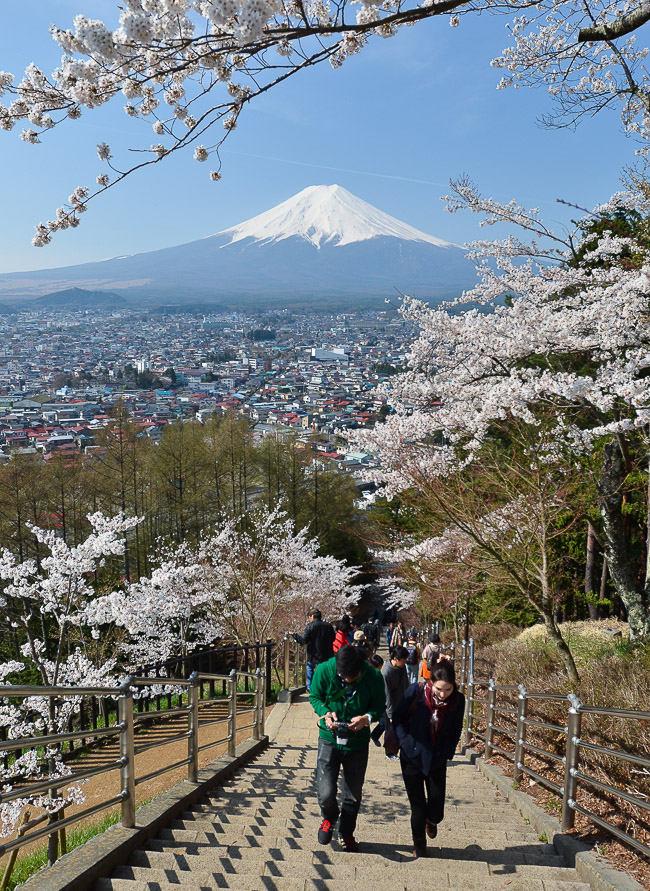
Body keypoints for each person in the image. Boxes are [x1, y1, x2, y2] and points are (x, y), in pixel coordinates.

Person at [309, 645, 386, 853]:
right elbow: (314, 696)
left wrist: (366, 718)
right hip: (328, 739)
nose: (349, 679)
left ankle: (346, 831)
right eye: (345, 675)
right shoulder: (324, 670)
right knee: (325, 792)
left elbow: (379, 707)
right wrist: (325, 713)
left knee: (353, 794)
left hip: (358, 742)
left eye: (354, 675)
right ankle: (330, 817)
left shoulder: (374, 677)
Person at [393, 659, 465, 858]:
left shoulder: (458, 701)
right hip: (412, 758)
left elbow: (457, 728)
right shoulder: (416, 693)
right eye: (439, 689)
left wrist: (448, 752)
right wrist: (405, 743)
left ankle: (432, 820)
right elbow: (397, 717)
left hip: (437, 759)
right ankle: (419, 844)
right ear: (431, 682)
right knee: (417, 806)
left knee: (437, 803)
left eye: (448, 689)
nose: (443, 694)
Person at [293, 608, 335, 691]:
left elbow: (304, 640)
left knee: (310, 668)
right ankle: (324, 687)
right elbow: (333, 638)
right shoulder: (328, 626)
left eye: (309, 617)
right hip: (326, 654)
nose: (309, 619)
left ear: (312, 616)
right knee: (325, 671)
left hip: (313, 654)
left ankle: (310, 687)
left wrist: (295, 635)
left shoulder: (310, 626)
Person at [380, 645, 409, 761]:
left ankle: (401, 749)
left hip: (401, 702)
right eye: (403, 660)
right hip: (389, 706)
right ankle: (389, 752)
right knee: (390, 729)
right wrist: (390, 714)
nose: (405, 662)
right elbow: (386, 696)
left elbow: (406, 683)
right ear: (395, 659)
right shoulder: (386, 673)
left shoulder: (402, 668)